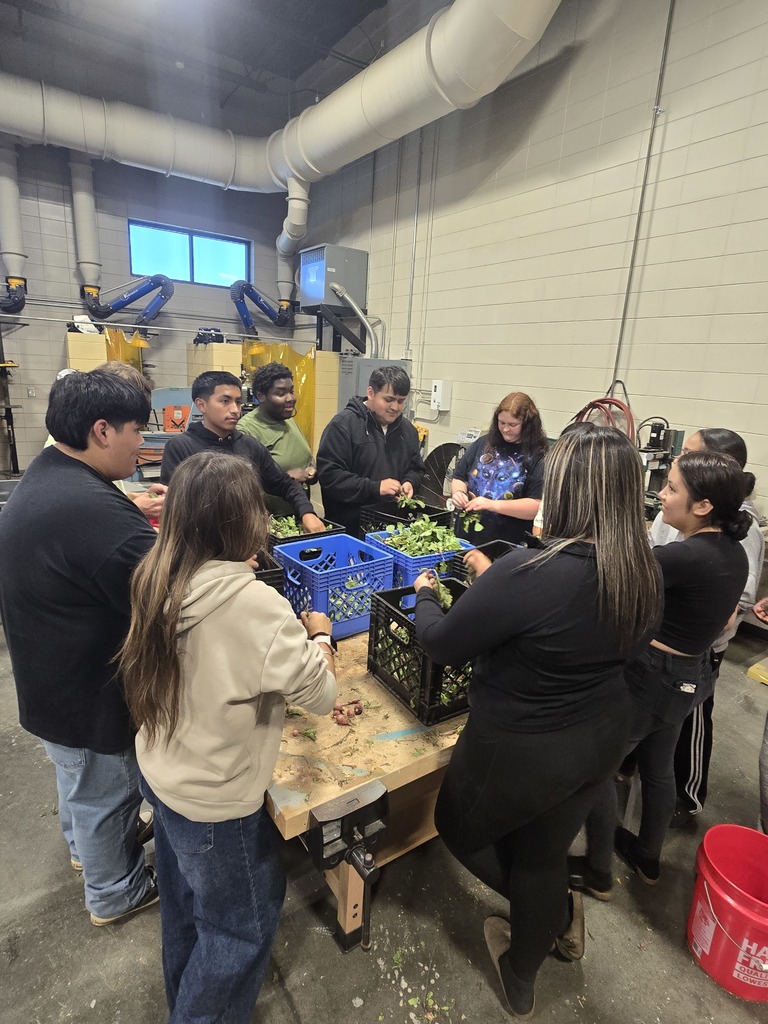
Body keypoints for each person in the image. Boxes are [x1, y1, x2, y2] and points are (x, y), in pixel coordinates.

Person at [412, 424, 661, 1019]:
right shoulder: (642, 570)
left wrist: (425, 593)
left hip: (521, 745)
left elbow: (442, 644)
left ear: (570, 492)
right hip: (598, 740)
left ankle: (542, 914)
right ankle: (522, 971)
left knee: (457, 827)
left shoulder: (528, 571)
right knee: (545, 853)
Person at [119, 451, 337, 1023]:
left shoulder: (158, 572)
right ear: (244, 523)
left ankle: (183, 1001)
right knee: (241, 931)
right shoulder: (251, 603)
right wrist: (320, 638)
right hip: (215, 802)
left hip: (163, 773)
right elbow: (320, 696)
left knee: (186, 911)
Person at [0, 371, 158, 925]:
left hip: (50, 680)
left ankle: (82, 851)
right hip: (85, 691)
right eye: (138, 431)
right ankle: (115, 891)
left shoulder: (52, 475)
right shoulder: (90, 511)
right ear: (101, 431)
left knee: (79, 782)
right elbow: (166, 592)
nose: (143, 444)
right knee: (106, 791)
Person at [574, 451, 750, 899]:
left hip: (651, 677)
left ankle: (596, 872)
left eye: (672, 488)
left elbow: (610, 575)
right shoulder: (731, 553)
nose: (662, 495)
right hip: (690, 676)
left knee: (596, 766)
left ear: (704, 505)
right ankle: (647, 856)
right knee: (657, 768)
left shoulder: (685, 556)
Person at [649, 428, 763, 828]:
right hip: (679, 650)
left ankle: (689, 796)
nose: (664, 492)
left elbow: (735, 603)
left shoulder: (730, 538)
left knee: (689, 726)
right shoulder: (701, 539)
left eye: (674, 486)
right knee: (659, 750)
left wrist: (694, 629)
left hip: (684, 655)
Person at [160, 370, 324, 534]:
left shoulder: (248, 445)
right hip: (203, 547)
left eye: (238, 402)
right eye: (225, 401)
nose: (235, 410)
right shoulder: (181, 448)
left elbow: (284, 484)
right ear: (201, 405)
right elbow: (174, 508)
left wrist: (307, 512)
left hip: (248, 540)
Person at [47, 362, 168, 522]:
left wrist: (133, 499)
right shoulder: (72, 474)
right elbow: (87, 513)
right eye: (136, 429)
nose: (141, 440)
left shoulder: (64, 458)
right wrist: (136, 509)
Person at [316, 364, 426, 536]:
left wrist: (410, 482)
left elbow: (416, 468)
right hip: (351, 530)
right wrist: (374, 488)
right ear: (371, 393)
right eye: (388, 399)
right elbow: (330, 477)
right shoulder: (343, 426)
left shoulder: (408, 430)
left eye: (401, 401)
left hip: (394, 531)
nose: (395, 407)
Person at [451, 391, 548, 545]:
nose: (505, 429)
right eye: (501, 423)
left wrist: (493, 505)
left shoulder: (539, 456)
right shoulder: (483, 443)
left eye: (512, 425)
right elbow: (459, 477)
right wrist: (458, 493)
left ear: (528, 425)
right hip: (466, 537)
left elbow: (535, 506)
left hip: (506, 544)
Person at [237, 362, 316, 515]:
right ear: (261, 396)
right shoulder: (247, 430)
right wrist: (287, 477)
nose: (290, 398)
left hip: (298, 513)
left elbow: (304, 455)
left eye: (291, 391)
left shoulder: (288, 419)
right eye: (281, 394)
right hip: (272, 522)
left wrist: (312, 469)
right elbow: (244, 486)